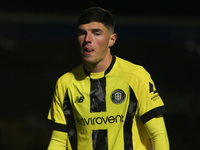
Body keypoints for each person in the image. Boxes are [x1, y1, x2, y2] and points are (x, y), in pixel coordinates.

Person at [47, 7, 169, 150]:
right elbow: (58, 141)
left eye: (96, 33)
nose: (87, 39)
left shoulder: (136, 76)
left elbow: (158, 134)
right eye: (82, 33)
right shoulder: (65, 83)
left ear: (112, 40)